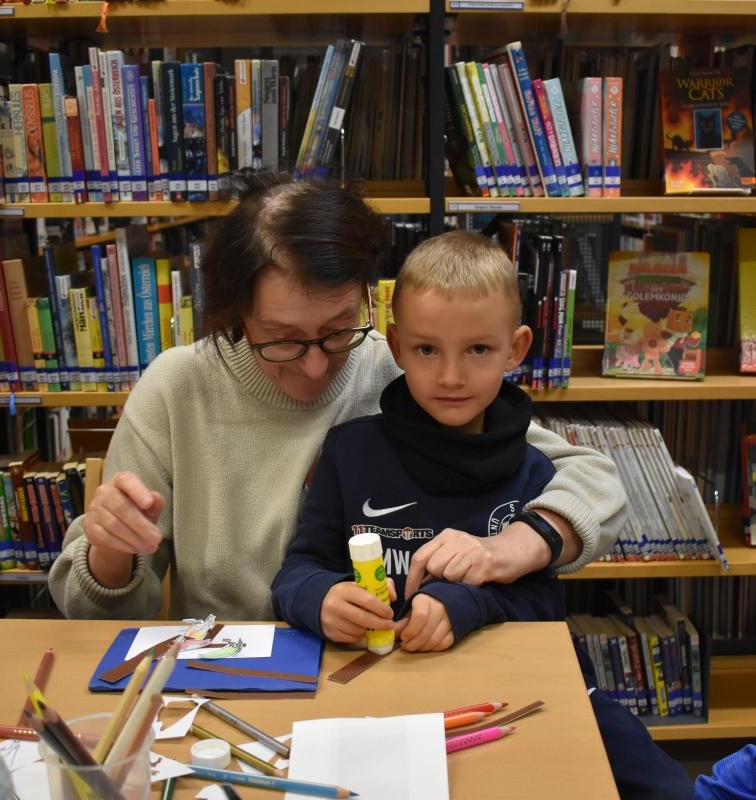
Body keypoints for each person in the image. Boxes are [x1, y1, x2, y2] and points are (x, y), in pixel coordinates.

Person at [48, 172, 625, 622]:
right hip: (233, 673)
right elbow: (99, 613)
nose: (317, 365)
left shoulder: (404, 366)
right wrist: (111, 556)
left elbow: (591, 479)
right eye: (281, 340)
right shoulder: (178, 386)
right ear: (236, 316)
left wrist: (521, 542)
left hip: (378, 664)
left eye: (337, 329)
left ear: (370, 302)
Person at [272, 231, 693, 800]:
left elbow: (544, 602)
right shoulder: (349, 452)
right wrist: (320, 599)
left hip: (516, 687)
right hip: (381, 691)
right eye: (426, 350)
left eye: (478, 350)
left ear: (516, 349)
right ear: (395, 348)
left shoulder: (536, 469)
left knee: (667, 789)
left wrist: (465, 603)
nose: (450, 377)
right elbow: (298, 569)